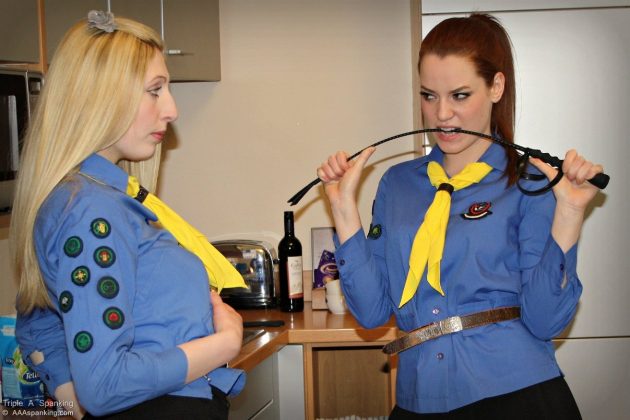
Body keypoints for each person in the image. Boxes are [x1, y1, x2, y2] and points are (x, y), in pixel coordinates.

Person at [317, 13, 603, 419]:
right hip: (418, 398)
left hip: (516, 396)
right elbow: (372, 312)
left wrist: (570, 212)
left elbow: (545, 321)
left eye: (460, 95)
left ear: (496, 87)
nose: (442, 114)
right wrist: (343, 208)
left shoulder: (530, 183)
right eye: (429, 96)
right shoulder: (396, 184)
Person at [9, 11, 246, 419]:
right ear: (99, 98)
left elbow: (38, 319)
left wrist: (73, 401)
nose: (171, 109)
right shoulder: (92, 209)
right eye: (155, 90)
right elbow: (104, 386)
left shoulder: (88, 197)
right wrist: (224, 344)